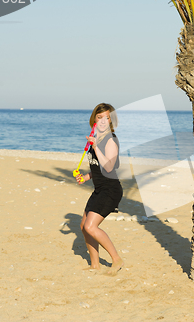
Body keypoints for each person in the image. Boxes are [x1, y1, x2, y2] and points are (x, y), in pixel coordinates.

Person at [75, 103, 124, 274]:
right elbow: (97, 167)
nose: (103, 121)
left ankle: (117, 260)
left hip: (111, 190)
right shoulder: (95, 138)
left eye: (107, 117)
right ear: (94, 119)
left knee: (90, 227)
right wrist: (86, 177)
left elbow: (109, 167)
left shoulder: (110, 140)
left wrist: (95, 146)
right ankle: (94, 265)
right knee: (83, 226)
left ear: (111, 121)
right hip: (99, 189)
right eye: (99, 117)